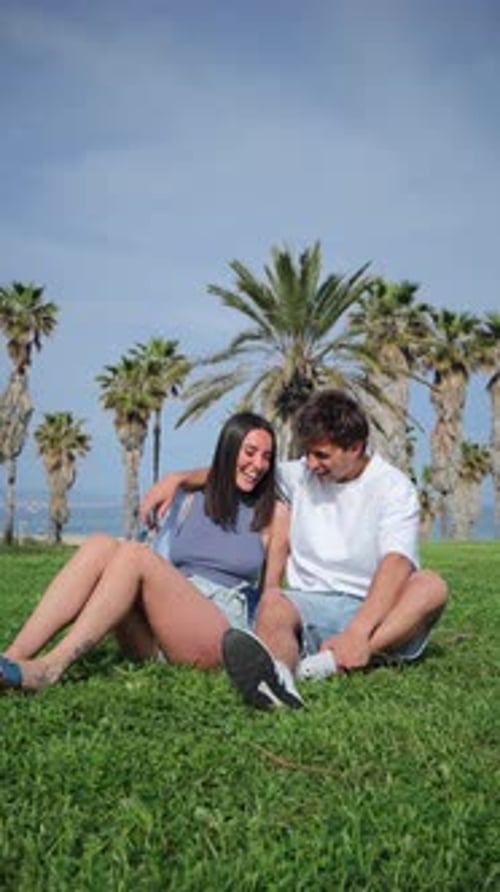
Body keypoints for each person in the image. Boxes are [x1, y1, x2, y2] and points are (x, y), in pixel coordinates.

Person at [152, 389, 448, 710]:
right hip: (308, 605)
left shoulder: (393, 488)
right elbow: (243, 470)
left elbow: (397, 562)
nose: (310, 463)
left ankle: (332, 662)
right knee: (273, 602)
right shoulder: (302, 475)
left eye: (322, 455)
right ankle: (280, 680)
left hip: (375, 609)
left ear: (355, 448)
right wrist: (179, 478)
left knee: (431, 586)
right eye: (307, 453)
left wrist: (359, 630)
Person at [0, 412, 276, 692]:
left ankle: (51, 667)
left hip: (218, 631)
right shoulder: (192, 497)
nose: (259, 464)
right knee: (100, 545)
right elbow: (216, 474)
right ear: (228, 450)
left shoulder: (271, 510)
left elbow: (272, 597)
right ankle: (12, 656)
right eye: (250, 452)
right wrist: (178, 478)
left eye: (266, 456)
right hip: (161, 626)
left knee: (135, 555)